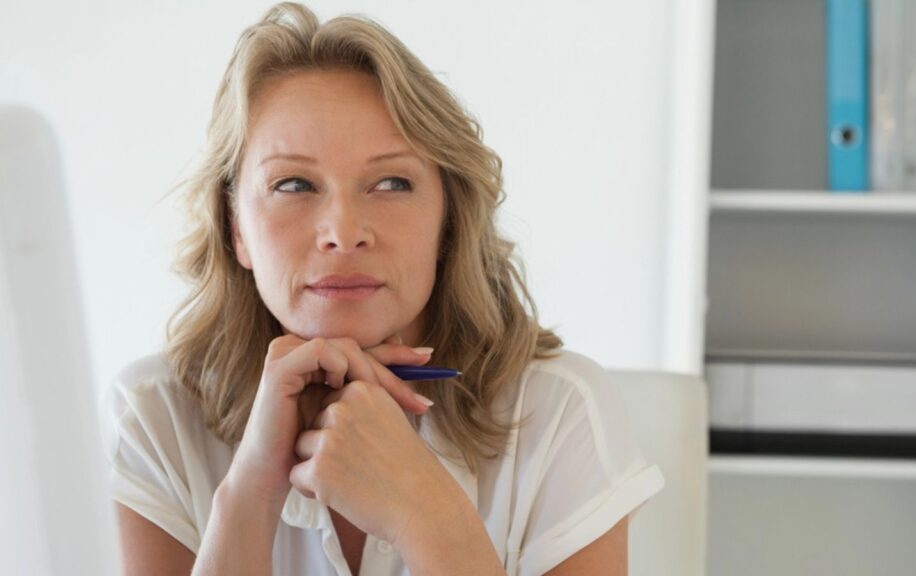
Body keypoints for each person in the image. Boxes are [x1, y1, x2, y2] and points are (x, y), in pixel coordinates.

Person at [104, 3, 664, 574]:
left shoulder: (558, 411)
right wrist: (248, 494)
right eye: (293, 184)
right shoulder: (156, 417)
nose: (344, 234)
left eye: (392, 182)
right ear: (235, 229)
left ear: (449, 222)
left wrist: (425, 512)